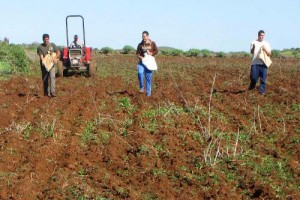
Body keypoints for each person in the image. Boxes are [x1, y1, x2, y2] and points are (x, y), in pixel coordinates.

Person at [37, 33, 60, 97]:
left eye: (47, 39)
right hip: (44, 65)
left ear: (49, 39)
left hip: (52, 65)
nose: (46, 40)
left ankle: (53, 93)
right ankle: (46, 93)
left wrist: (55, 58)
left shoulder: (52, 45)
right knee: (45, 79)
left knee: (52, 77)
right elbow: (41, 56)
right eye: (45, 39)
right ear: (43, 39)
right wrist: (44, 62)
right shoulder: (40, 47)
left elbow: (58, 52)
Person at [248, 30, 272, 95]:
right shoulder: (253, 42)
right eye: (261, 35)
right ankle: (251, 88)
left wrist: (265, 49)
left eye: (263, 35)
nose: (262, 37)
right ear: (258, 35)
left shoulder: (266, 43)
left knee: (263, 79)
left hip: (263, 63)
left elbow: (269, 53)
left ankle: (262, 92)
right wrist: (253, 48)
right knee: (253, 78)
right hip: (255, 63)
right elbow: (252, 52)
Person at [136, 31, 158, 96]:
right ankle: (142, 88)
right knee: (140, 73)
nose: (143, 37)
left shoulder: (152, 43)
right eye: (142, 36)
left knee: (148, 78)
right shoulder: (140, 45)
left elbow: (156, 51)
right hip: (142, 62)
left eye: (144, 36)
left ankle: (148, 94)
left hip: (149, 63)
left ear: (148, 36)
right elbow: (137, 53)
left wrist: (151, 53)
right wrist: (140, 57)